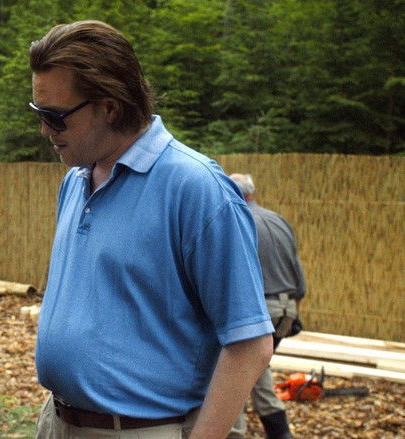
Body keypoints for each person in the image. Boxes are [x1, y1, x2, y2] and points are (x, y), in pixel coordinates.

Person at [28, 20, 274, 439]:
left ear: (110, 107)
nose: (45, 130)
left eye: (55, 117)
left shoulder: (196, 188)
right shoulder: (75, 181)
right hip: (58, 421)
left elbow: (250, 343)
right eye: (39, 114)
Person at [227, 173, 306, 439]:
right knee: (256, 366)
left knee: (230, 374)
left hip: (258, 311)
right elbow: (299, 278)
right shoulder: (278, 220)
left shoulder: (238, 221)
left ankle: (234, 434)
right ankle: (280, 432)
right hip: (286, 309)